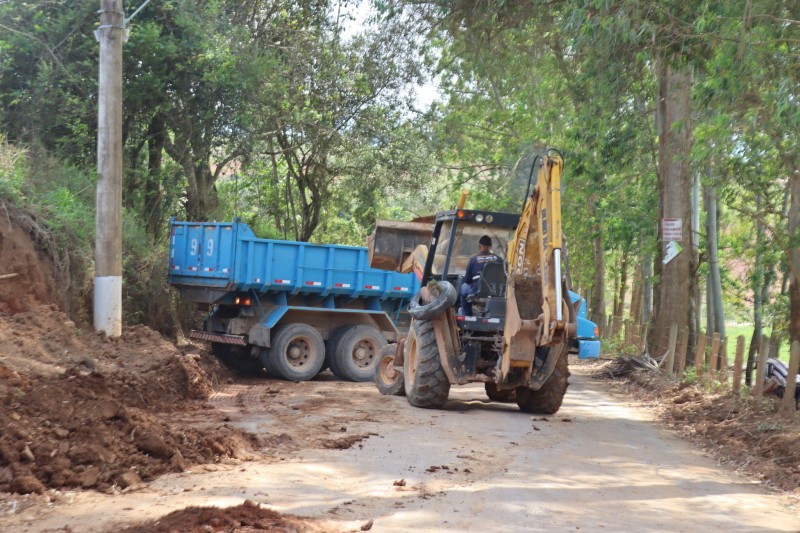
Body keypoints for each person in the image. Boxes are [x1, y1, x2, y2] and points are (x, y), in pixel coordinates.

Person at [459, 235, 499, 316]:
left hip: (477, 292)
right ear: (490, 247)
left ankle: (467, 314)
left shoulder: (473, 260)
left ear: (479, 246)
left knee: (463, 287)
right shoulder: (499, 259)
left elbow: (467, 280)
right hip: (496, 292)